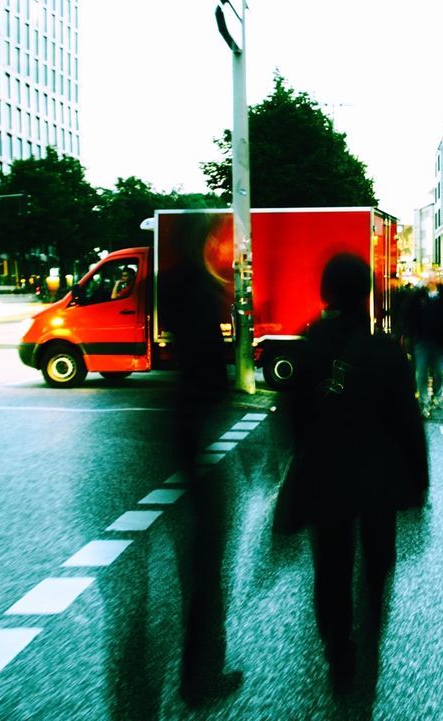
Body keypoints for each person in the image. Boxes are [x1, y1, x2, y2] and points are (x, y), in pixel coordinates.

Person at [281, 253, 429, 691]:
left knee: (331, 566)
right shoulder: (384, 349)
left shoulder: (309, 343)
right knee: (377, 562)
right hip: (377, 479)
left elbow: (293, 420)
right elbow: (408, 421)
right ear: (366, 292)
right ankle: (370, 634)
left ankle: (338, 650)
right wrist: (418, 484)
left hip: (327, 478)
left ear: (326, 292)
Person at [157, 216, 242, 708]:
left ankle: (185, 676)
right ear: (204, 241)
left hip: (178, 431)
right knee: (207, 569)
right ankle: (201, 679)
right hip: (199, 433)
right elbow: (211, 368)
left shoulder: (171, 285)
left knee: (191, 567)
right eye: (215, 237)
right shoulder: (203, 289)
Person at [405, 274, 443, 418]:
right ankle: (424, 401)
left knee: (439, 372)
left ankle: (436, 397)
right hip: (422, 340)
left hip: (439, 340)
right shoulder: (418, 297)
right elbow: (411, 316)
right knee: (421, 372)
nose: (431, 281)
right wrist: (412, 333)